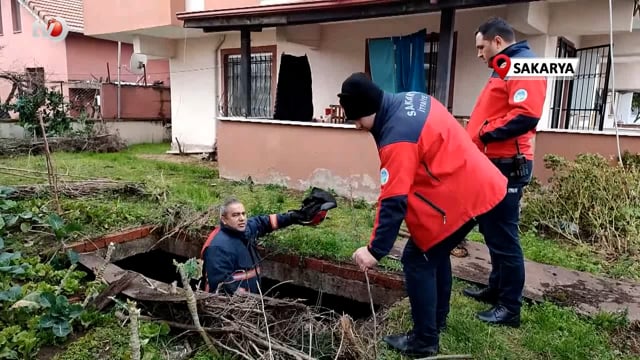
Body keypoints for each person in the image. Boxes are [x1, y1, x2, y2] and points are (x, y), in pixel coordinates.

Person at [340, 72, 508, 357]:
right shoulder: (412, 99)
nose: (357, 126)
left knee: (416, 260)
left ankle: (424, 340)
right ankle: (436, 320)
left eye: (356, 119)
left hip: (464, 196)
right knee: (433, 253)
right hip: (471, 183)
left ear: (368, 109)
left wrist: (375, 250)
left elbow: (393, 200)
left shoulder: (397, 138)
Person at [463, 17, 547, 327]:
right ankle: (497, 288)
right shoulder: (505, 65)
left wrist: (483, 133)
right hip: (493, 164)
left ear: (497, 42)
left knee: (504, 237)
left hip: (508, 166)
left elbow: (526, 116)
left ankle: (510, 307)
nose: (478, 54)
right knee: (492, 230)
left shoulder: (524, 65)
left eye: (480, 47)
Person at [200, 188, 337, 295]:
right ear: (224, 219)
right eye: (235, 215)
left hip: (249, 302)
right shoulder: (218, 246)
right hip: (229, 310)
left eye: (243, 214)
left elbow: (265, 222)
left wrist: (294, 216)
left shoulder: (244, 229)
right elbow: (221, 285)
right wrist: (246, 302)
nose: (242, 218)